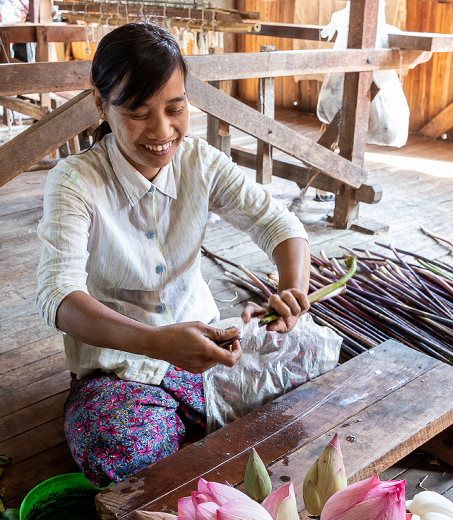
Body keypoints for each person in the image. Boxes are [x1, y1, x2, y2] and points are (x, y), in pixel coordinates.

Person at [36, 22, 311, 487]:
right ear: (101, 105)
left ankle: (186, 424)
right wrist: (156, 342)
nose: (162, 131)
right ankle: (183, 423)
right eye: (139, 112)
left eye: (176, 108)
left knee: (302, 393)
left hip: (207, 348)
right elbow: (57, 296)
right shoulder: (75, 180)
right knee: (119, 447)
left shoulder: (199, 162)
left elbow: (278, 225)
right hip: (120, 365)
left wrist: (293, 291)